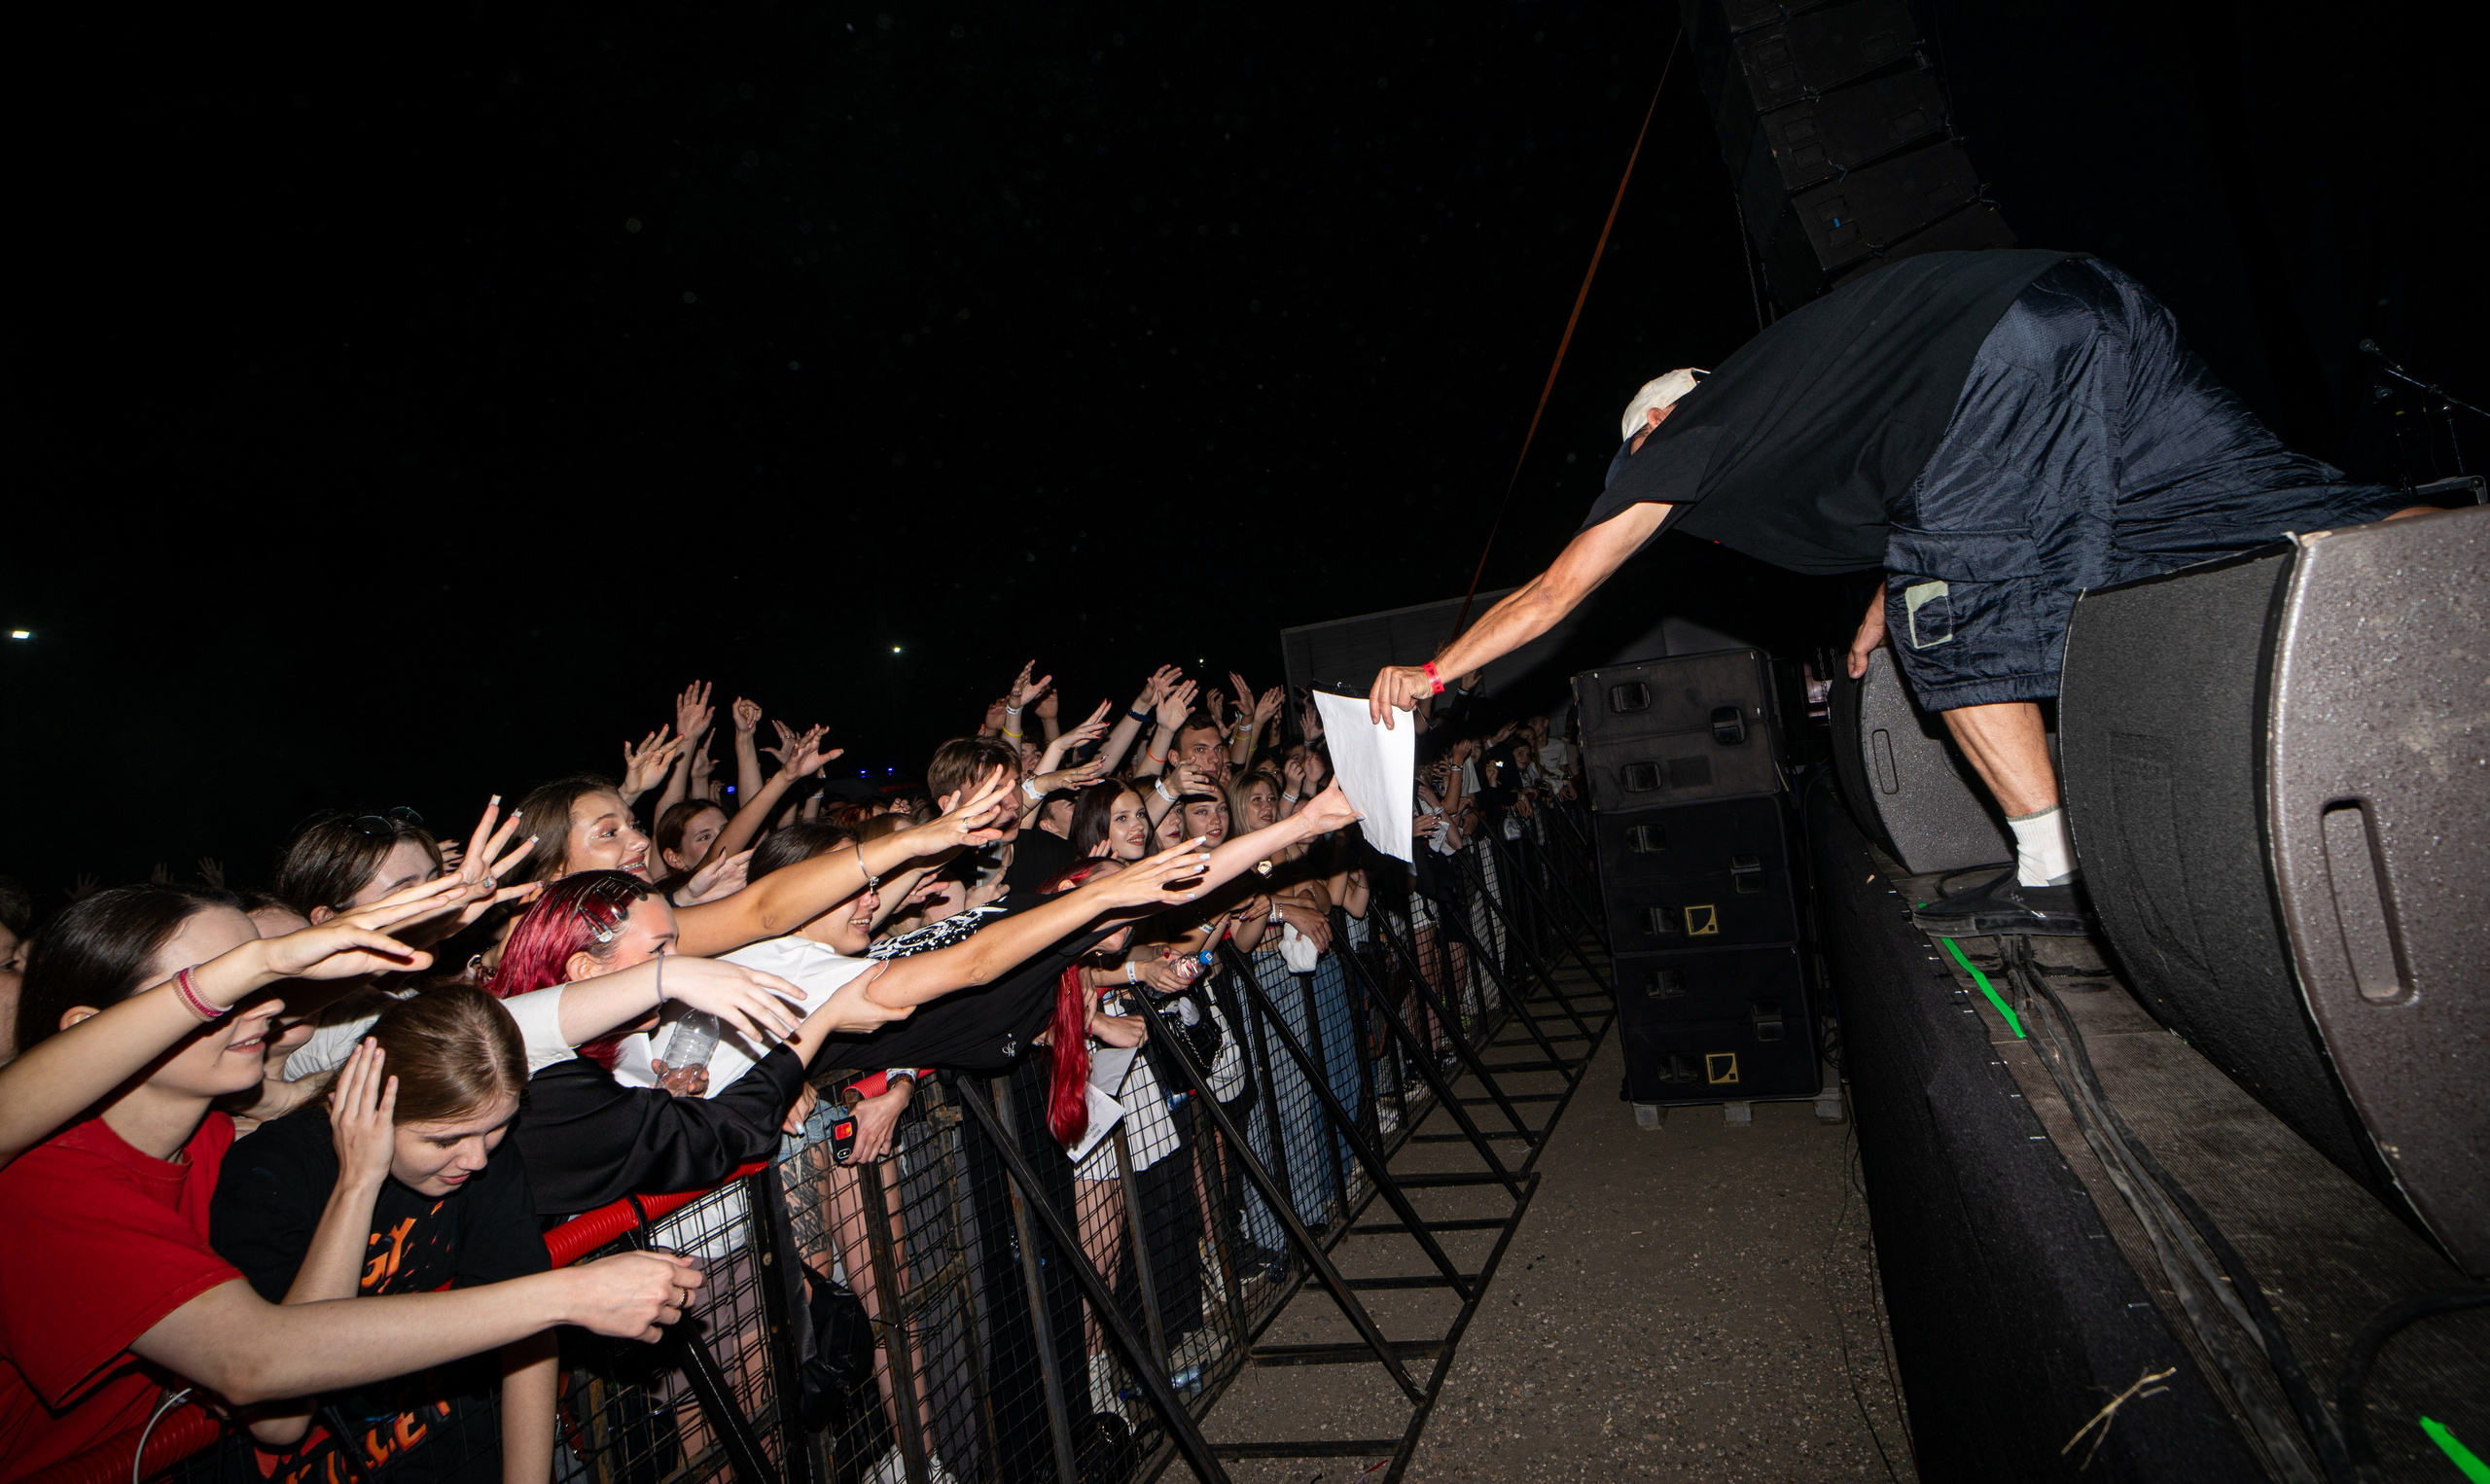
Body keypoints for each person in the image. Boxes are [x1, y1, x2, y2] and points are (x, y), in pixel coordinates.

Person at [1370, 249, 2434, 936]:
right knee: (2269, 507)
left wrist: (1432, 672)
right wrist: (1888, 590)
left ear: (1652, 428)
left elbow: (1559, 587)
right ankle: (2457, 571)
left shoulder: (1685, 434)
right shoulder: (1797, 394)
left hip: (1996, 368)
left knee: (1948, 627)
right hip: (2096, 312)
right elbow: (1914, 496)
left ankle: (2054, 874)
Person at [0, 885, 702, 1479]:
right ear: (94, 1030)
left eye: (261, 985)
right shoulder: (45, 1184)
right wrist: (569, 1294)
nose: (268, 1005)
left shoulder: (216, 1133)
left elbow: (444, 1050)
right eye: (222, 990)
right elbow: (258, 1366)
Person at [209, 995, 558, 1484]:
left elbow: (529, 1327)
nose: (476, 1159)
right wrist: (358, 1183)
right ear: (368, 1110)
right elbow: (280, 1420)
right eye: (443, 1141)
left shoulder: (478, 1157)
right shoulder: (270, 1174)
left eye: (498, 1126)